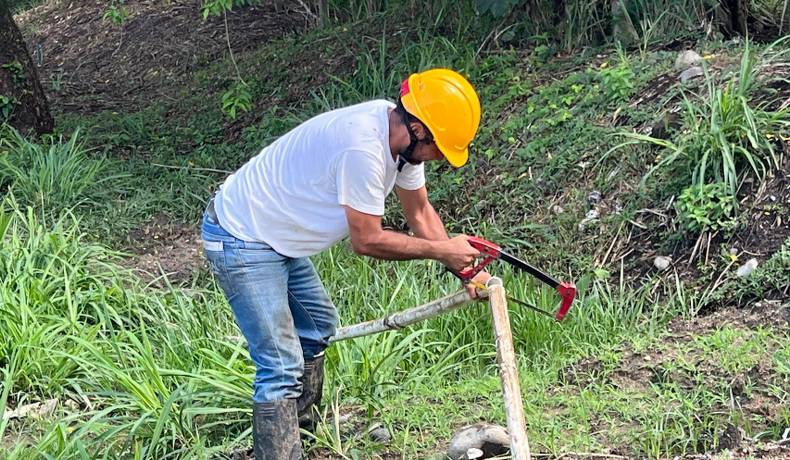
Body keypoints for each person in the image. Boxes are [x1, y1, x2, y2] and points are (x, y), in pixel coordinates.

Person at [201, 68, 489, 459]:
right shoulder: (363, 150)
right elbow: (367, 240)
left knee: (317, 327)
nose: (441, 159)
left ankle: (294, 438)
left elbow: (419, 212)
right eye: (441, 148)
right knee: (280, 366)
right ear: (419, 129)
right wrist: (443, 251)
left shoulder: (401, 145)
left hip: (279, 235)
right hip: (243, 235)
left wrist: (467, 270)